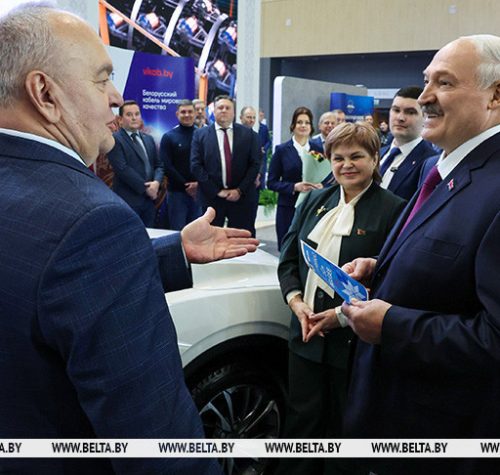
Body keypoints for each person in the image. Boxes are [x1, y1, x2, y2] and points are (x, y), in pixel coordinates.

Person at [0, 5, 259, 474]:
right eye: (102, 79)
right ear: (45, 93)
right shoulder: (93, 220)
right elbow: (158, 445)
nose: (116, 98)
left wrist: (172, 251)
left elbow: (36, 276)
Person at [342, 34, 500, 475]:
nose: (424, 96)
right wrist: (385, 268)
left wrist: (393, 325)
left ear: (495, 96)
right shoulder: (439, 166)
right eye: (426, 80)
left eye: (444, 83)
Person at [276, 122, 405, 475]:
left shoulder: (395, 209)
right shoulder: (313, 200)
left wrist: (339, 317)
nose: (346, 165)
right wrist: (297, 304)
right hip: (304, 333)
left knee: (345, 428)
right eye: (338, 158)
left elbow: (394, 281)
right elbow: (288, 260)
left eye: (356, 156)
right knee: (301, 423)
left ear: (375, 159)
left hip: (354, 341)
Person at [191, 95, 261, 236]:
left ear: (234, 112)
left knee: (242, 240)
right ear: (214, 111)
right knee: (209, 240)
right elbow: (196, 165)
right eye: (220, 108)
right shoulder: (200, 135)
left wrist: (239, 190)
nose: (223, 110)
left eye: (227, 108)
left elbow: (255, 164)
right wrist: (217, 191)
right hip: (212, 198)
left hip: (242, 198)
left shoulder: (249, 134)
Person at [267, 107, 325, 249]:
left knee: (309, 247)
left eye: (307, 122)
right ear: (293, 126)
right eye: (299, 122)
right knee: (287, 248)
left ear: (311, 127)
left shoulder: (317, 149)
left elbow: (325, 174)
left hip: (312, 207)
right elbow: (272, 182)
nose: (303, 125)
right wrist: (294, 187)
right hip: (288, 208)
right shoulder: (282, 150)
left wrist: (321, 185)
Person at [107, 100, 164, 227]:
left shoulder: (148, 139)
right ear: (120, 119)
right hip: (128, 200)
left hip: (149, 201)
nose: (134, 118)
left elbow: (159, 165)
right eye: (129, 115)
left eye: (137, 114)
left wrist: (156, 183)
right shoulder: (115, 139)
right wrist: (146, 189)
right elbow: (122, 169)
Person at [379, 86, 437, 200]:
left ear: (425, 117)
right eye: (396, 110)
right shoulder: (377, 153)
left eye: (410, 112)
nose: (400, 118)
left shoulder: (430, 163)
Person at [160, 99, 202, 230]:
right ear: (177, 114)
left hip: (199, 192)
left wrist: (198, 184)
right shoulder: (168, 137)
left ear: (195, 113)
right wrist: (187, 186)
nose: (187, 115)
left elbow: (208, 162)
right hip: (177, 194)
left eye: (190, 111)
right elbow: (167, 165)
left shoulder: (203, 135)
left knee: (197, 232)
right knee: (178, 233)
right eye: (183, 112)